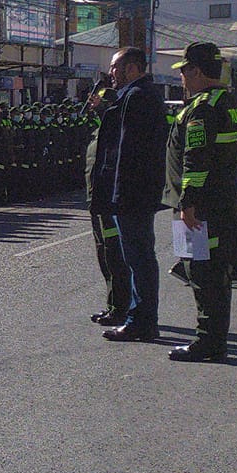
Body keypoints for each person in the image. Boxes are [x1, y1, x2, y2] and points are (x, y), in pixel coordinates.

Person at [164, 44, 237, 363]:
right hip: (219, 202)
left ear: (197, 71)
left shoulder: (202, 108)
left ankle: (208, 340)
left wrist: (188, 203)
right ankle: (213, 337)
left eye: (184, 71)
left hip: (199, 208)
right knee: (209, 271)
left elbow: (195, 160)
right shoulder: (226, 101)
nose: (182, 77)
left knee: (202, 272)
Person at [93, 47, 167, 342]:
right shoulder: (133, 96)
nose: (111, 73)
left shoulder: (137, 98)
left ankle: (142, 320)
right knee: (138, 256)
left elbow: (127, 153)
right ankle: (141, 317)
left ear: (133, 69)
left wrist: (117, 193)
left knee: (138, 258)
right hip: (135, 193)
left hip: (132, 194)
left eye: (116, 67)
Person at [83, 74, 127, 327]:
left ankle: (122, 307)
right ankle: (113, 305)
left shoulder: (114, 130)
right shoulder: (99, 130)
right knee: (104, 254)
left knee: (116, 256)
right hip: (97, 201)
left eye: (98, 102)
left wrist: (104, 108)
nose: (92, 105)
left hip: (108, 201)